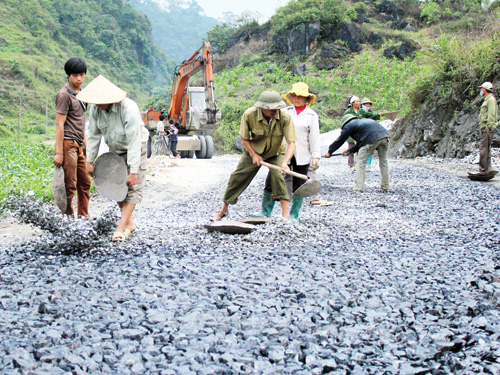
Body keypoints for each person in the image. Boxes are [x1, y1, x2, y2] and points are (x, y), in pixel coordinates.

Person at [77, 75, 148, 242]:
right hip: (115, 149)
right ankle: (129, 224)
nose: (97, 104)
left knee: (132, 187)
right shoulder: (96, 109)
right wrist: (89, 161)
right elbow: (93, 135)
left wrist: (133, 171)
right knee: (116, 186)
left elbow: (134, 142)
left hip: (136, 147)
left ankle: (121, 227)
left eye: (100, 101)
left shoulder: (128, 109)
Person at [210, 90, 297, 222]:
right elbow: (244, 137)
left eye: (277, 108)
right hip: (254, 151)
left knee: (279, 175)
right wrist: (253, 154)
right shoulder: (249, 115)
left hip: (276, 152)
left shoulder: (284, 117)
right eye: (271, 109)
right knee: (238, 176)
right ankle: (223, 209)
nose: (275, 111)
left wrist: (285, 163)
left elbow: (292, 143)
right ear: (262, 107)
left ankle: (286, 215)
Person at [254, 83, 321, 222]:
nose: (297, 99)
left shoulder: (311, 115)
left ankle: (294, 215)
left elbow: (314, 137)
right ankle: (265, 211)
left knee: (299, 184)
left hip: (302, 152)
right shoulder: (284, 111)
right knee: (272, 179)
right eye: (295, 96)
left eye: (300, 96)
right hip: (282, 150)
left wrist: (316, 155)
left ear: (306, 98)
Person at [53, 57, 91, 218]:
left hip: (79, 143)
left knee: (85, 182)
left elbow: (81, 121)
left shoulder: (82, 94)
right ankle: (67, 219)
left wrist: (85, 143)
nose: (79, 78)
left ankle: (84, 216)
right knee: (70, 184)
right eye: (75, 75)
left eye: (82, 75)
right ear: (68, 75)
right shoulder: (64, 95)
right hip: (68, 143)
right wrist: (59, 152)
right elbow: (59, 124)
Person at [324, 114, 390, 192]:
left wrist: (330, 151)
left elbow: (340, 140)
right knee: (384, 162)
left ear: (345, 123)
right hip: (385, 137)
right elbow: (361, 142)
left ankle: (359, 187)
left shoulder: (349, 125)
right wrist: (350, 151)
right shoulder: (362, 123)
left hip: (371, 139)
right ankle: (385, 186)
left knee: (360, 163)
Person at [477, 82, 497, 172]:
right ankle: (487, 169)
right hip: (485, 127)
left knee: (483, 148)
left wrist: (488, 127)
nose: (480, 90)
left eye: (481, 89)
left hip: (487, 128)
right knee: (486, 147)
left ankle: (483, 169)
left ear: (485, 89)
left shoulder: (491, 100)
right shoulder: (487, 99)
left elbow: (491, 114)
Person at [360, 97, 384, 171]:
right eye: (365, 104)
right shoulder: (359, 112)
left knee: (370, 149)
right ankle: (358, 165)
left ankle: (368, 165)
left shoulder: (371, 113)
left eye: (368, 104)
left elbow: (374, 119)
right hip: (360, 133)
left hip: (369, 134)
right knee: (359, 150)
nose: (367, 105)